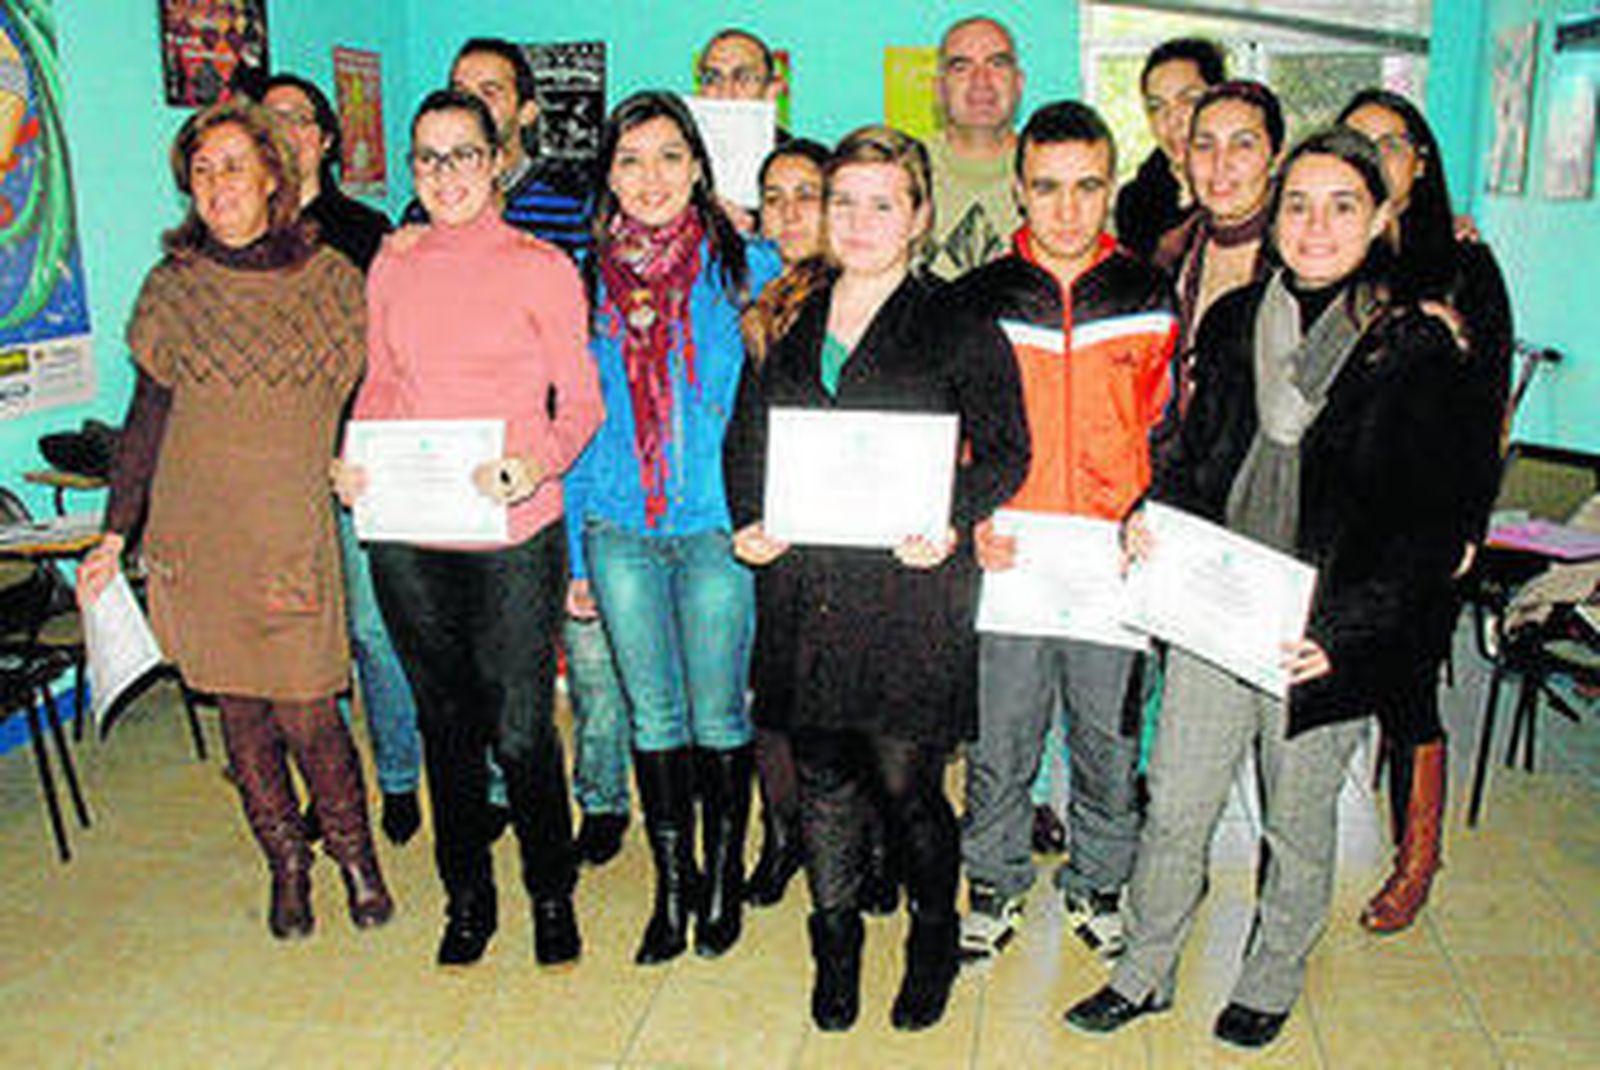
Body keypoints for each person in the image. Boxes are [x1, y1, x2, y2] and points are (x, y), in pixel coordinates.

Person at [1064, 128, 1466, 1049]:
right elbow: (1195, 451)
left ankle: (1272, 973)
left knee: (1296, 819)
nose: (1317, 225)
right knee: (1177, 802)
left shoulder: (1413, 345)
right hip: (1220, 606)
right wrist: (1148, 513)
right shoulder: (1237, 318)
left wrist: (1350, 632)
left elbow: (1427, 527)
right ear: (1273, 216)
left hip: (1321, 632)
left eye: (1342, 206)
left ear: (1381, 218)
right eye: (1299, 204)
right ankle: (1145, 967)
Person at [725, 126, 1030, 1033]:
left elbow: (1009, 451)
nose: (857, 222)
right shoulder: (786, 315)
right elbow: (747, 439)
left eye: (881, 204)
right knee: (820, 776)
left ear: (919, 217)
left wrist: (953, 515)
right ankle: (837, 943)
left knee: (906, 787)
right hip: (804, 586)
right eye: (842, 202)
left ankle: (934, 935)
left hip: (910, 590)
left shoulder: (959, 325)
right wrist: (749, 519)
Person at [77, 100, 391, 940]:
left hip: (290, 528)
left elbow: (375, 391)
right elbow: (146, 415)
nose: (218, 184)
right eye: (203, 169)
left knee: (308, 708)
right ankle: (286, 862)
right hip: (196, 532)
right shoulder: (172, 286)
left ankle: (354, 856)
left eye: (234, 165)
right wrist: (114, 532)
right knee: (242, 711)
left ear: (272, 178)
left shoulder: (331, 281)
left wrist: (370, 461)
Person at [339, 89, 603, 968]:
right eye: (427, 157)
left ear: (496, 160)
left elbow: (584, 403)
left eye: (463, 154)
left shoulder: (541, 266)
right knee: (444, 724)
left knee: (522, 729)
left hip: (514, 530)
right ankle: (468, 897)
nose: (445, 174)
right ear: (412, 170)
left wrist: (537, 462)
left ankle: (551, 890)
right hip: (411, 533)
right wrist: (354, 458)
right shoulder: (394, 263)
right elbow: (381, 386)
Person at [952, 102, 1177, 963]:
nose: (1068, 209)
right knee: (1001, 742)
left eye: (1087, 187)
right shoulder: (977, 299)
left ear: (1110, 186)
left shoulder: (1150, 295)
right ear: (1020, 189)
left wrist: (1152, 514)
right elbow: (954, 426)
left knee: (1107, 743)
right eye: (1047, 188)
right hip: (1011, 552)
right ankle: (995, 885)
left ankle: (1097, 885)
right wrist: (971, 517)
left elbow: (1171, 427)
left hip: (1116, 557)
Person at [566, 90, 781, 966]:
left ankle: (723, 877)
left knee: (717, 713)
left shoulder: (750, 269)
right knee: (652, 716)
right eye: (629, 160)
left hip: (718, 530)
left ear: (697, 165)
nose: (649, 178)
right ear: (609, 178)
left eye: (667, 156)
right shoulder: (580, 279)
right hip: (617, 524)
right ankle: (673, 885)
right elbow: (572, 416)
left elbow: (793, 399)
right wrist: (578, 550)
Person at [1338, 88, 1512, 934]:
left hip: (1428, 521)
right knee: (1339, 675)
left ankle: (1416, 859)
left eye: (1390, 143)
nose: (1375, 158)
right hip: (1344, 519)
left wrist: (1469, 528)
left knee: (1409, 688)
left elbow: (1487, 410)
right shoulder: (1342, 255)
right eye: (1357, 144)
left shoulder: (1467, 265)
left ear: (1422, 159)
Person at [259, 72, 424, 847]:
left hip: (358, 460)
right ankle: (332, 789)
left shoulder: (366, 230)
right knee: (298, 636)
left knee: (370, 631)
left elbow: (392, 351)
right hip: (275, 467)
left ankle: (396, 776)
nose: (282, 131)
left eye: (297, 119)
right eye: (267, 121)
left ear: (325, 137)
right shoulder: (238, 234)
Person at [1153, 80, 1284, 423]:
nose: (1220, 164)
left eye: (1243, 144)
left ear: (1276, 156)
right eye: (1204, 145)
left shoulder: (1300, 259)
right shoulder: (1170, 254)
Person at [403, 38, 590, 257]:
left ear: (526, 112)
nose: (471, 104)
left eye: (489, 93)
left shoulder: (568, 206)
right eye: (460, 92)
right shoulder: (426, 209)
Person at [924, 16, 1025, 280]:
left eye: (997, 64)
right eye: (961, 67)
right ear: (938, 89)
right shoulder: (903, 169)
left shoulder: (1056, 172)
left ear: (1019, 83)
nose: (981, 80)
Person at [1114, 38, 1226, 261]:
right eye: (1157, 107)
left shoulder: (1247, 192)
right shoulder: (1135, 202)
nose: (1172, 120)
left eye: (1188, 100)